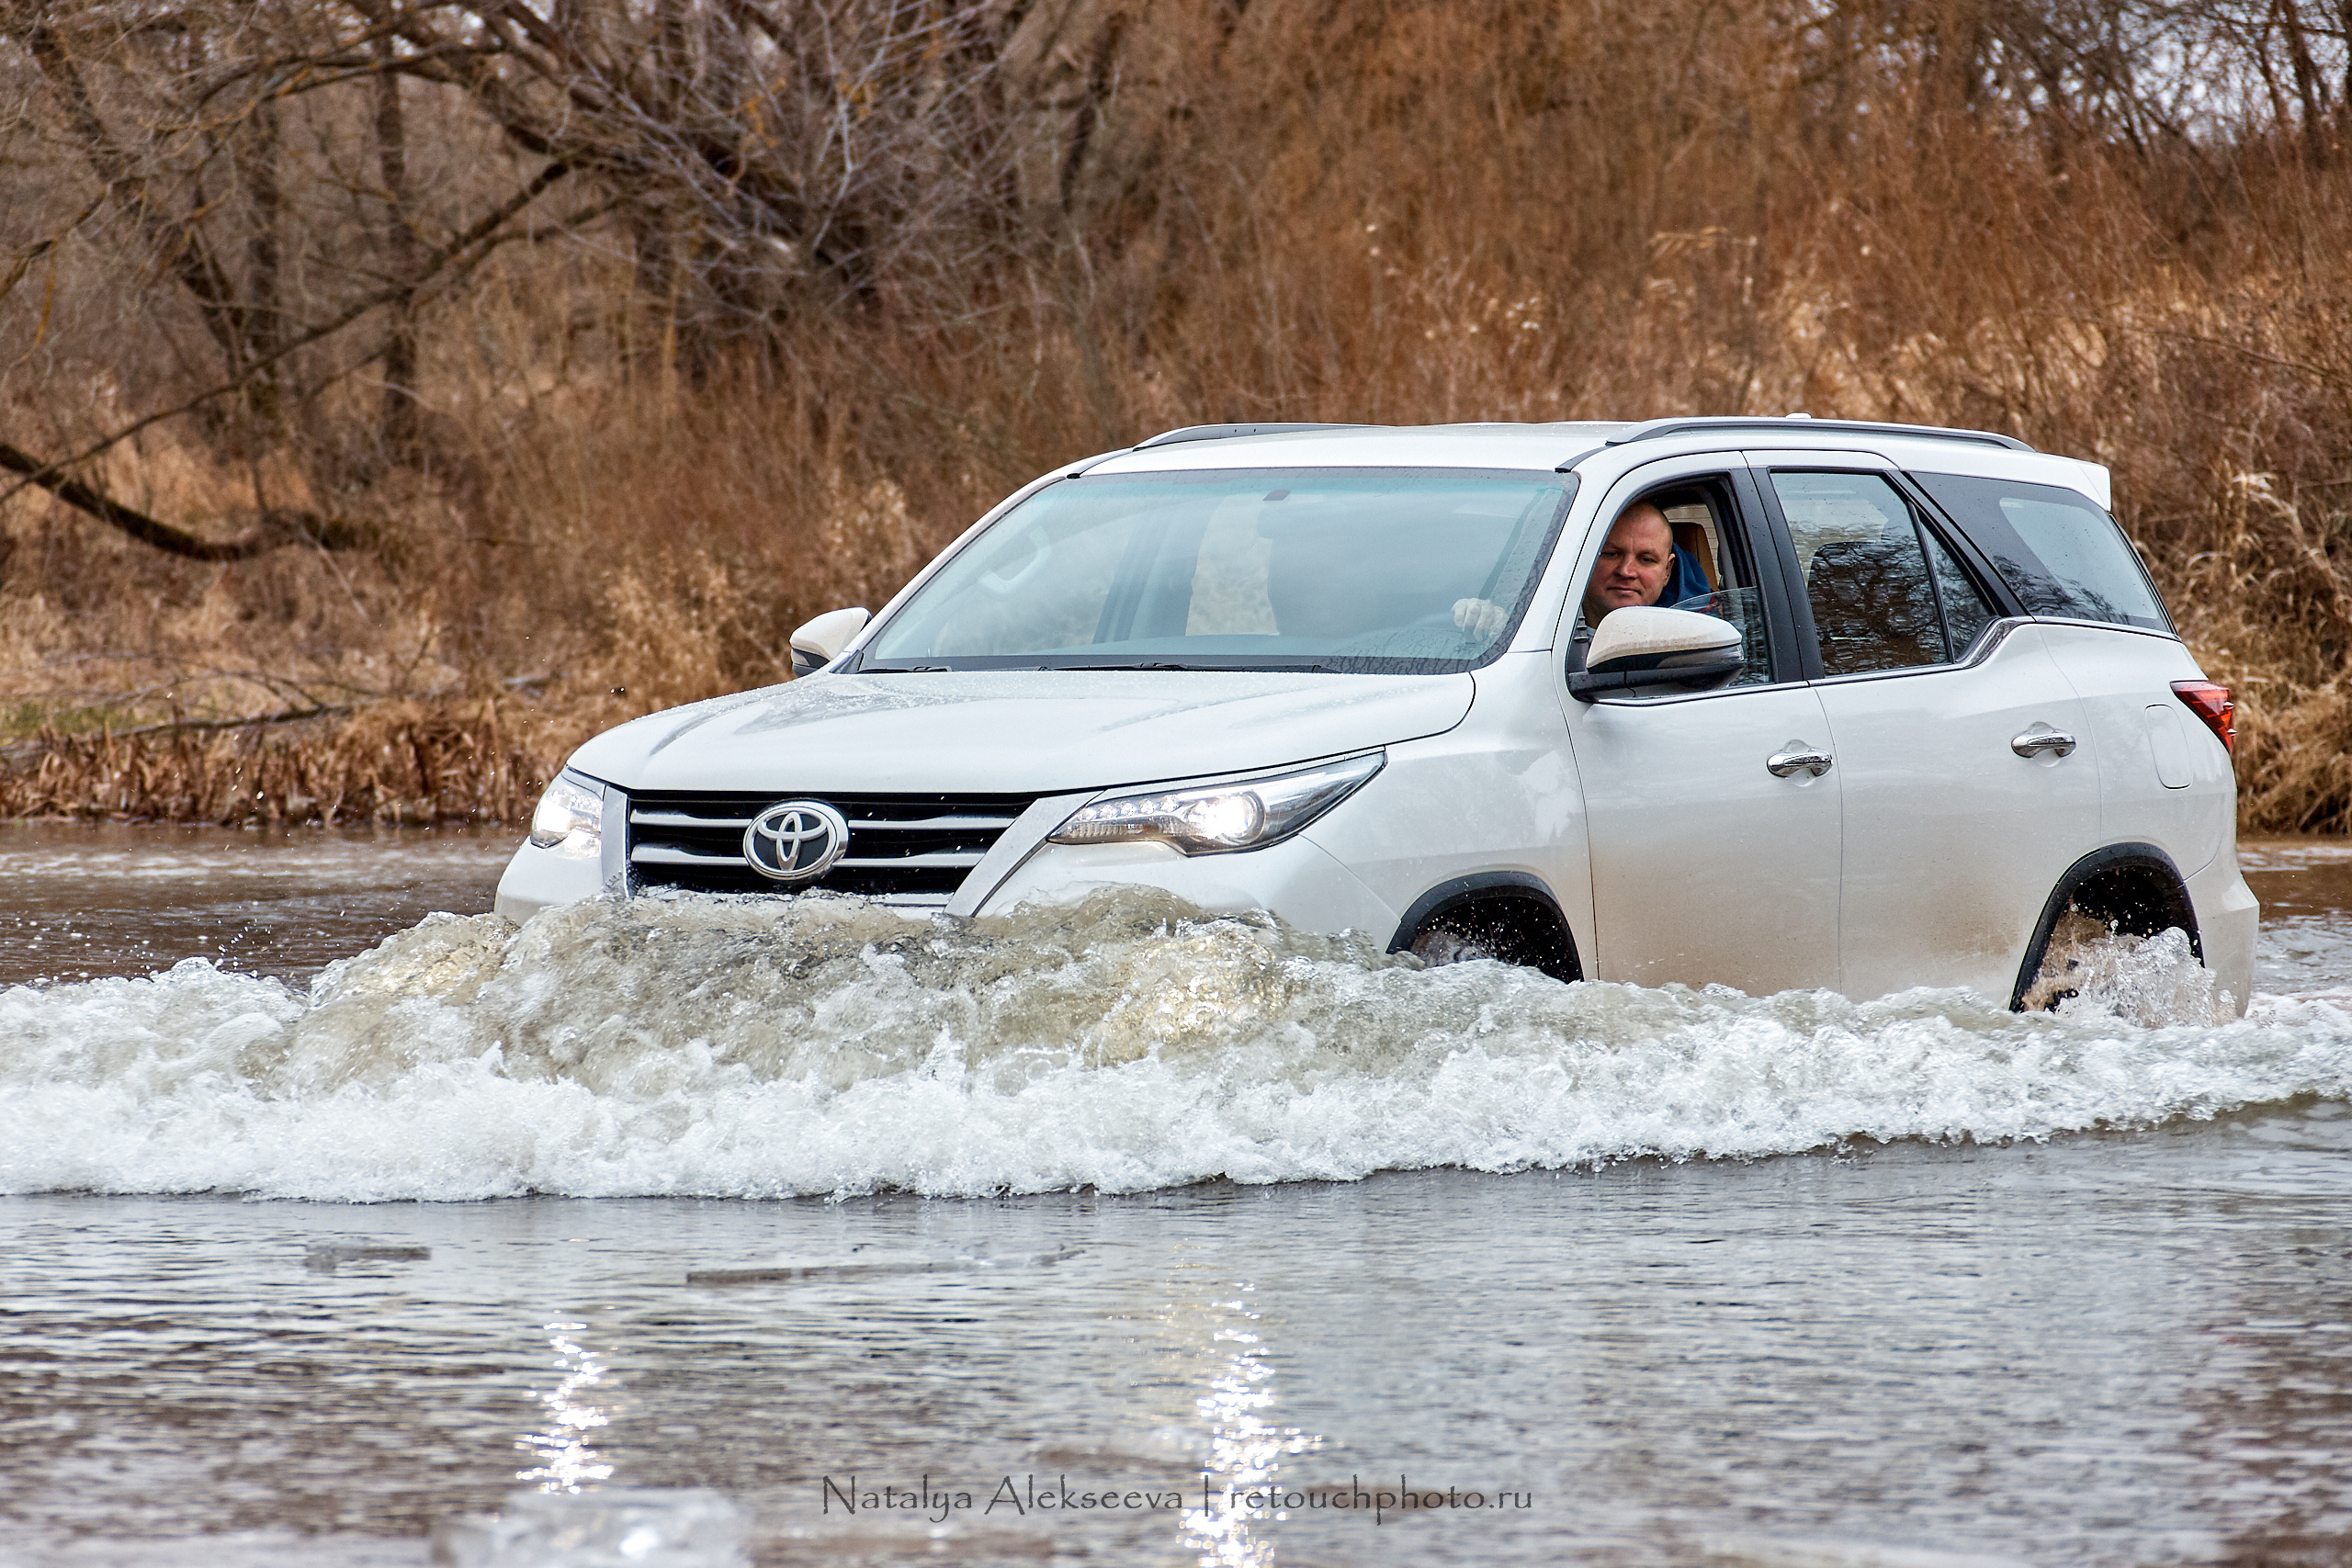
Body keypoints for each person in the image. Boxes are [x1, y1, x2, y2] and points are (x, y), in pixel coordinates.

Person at [1452, 500, 1709, 639]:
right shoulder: (1536, 621)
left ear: (1668, 571)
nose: (1626, 571)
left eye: (1646, 559)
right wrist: (1484, 623)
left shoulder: (1694, 644)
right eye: (1611, 554)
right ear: (1583, 558)